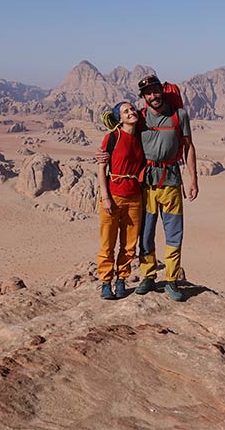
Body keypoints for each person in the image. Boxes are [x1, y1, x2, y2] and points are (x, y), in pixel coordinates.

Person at [97, 74, 198, 301]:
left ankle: (171, 280)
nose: (153, 96)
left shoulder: (179, 115)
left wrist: (194, 179)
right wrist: (103, 156)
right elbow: (120, 134)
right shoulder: (140, 118)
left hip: (171, 182)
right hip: (146, 184)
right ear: (143, 98)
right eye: (148, 93)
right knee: (145, 234)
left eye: (155, 91)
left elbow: (188, 147)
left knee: (174, 234)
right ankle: (148, 276)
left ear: (162, 90)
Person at [97, 101, 145, 300]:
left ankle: (121, 280)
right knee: (108, 242)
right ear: (119, 118)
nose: (131, 112)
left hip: (135, 197)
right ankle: (106, 282)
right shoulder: (112, 138)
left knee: (129, 245)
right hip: (113, 196)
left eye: (132, 109)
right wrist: (105, 196)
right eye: (126, 111)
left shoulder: (142, 138)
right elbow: (101, 168)